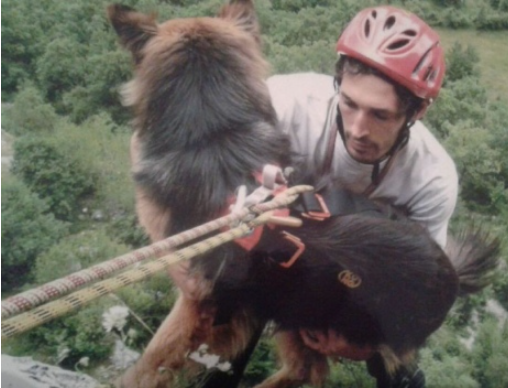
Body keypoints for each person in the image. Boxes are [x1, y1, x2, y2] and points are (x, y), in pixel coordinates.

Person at [266, 5, 458, 388]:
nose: (357, 129)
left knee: (392, 353)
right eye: (349, 103)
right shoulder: (284, 105)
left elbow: (420, 285)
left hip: (371, 265)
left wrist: (369, 346)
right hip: (295, 236)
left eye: (380, 115)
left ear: (416, 110)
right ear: (337, 83)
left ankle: (394, 370)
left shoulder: (431, 178)